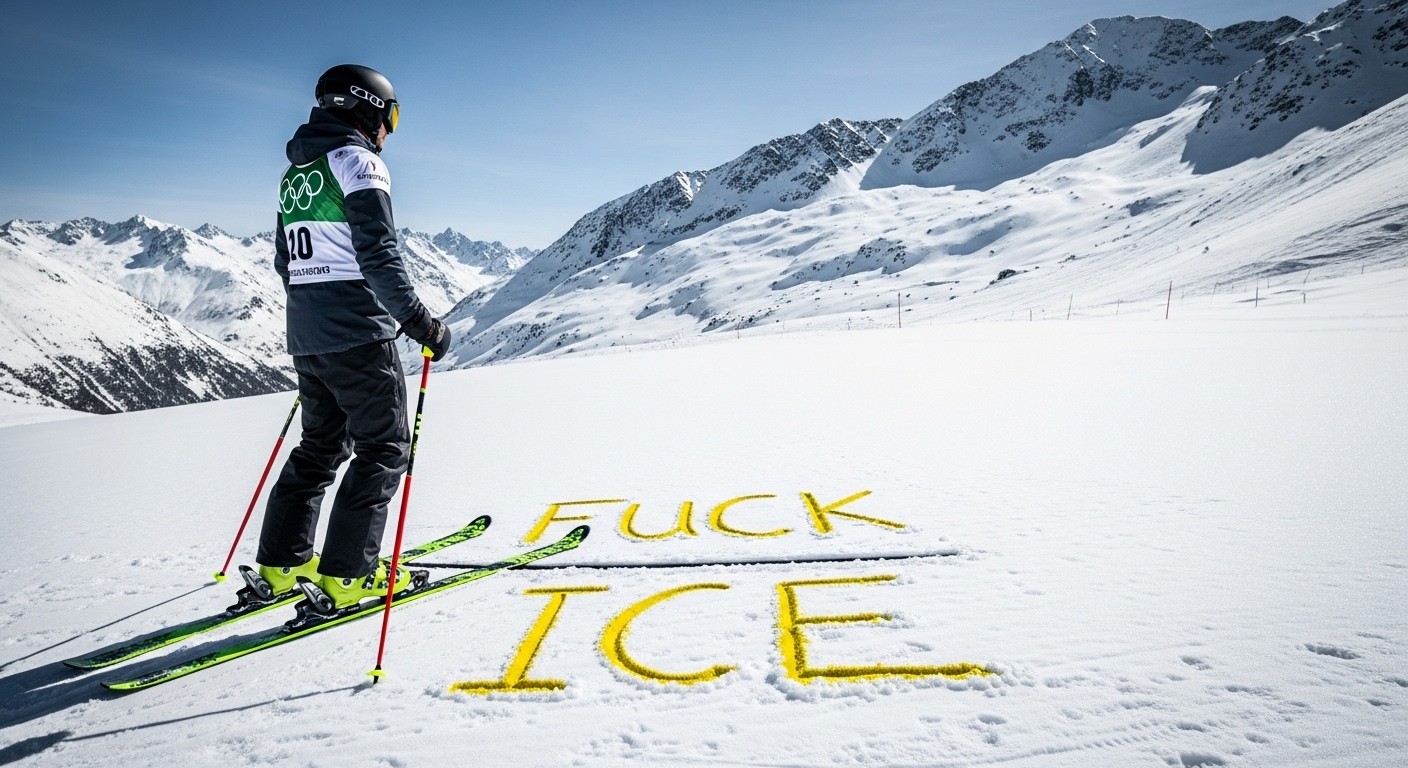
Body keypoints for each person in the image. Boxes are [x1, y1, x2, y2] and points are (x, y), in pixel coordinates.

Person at [255, 64, 449, 611]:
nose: (389, 131)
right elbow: (379, 254)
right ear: (369, 109)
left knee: (319, 449)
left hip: (307, 335)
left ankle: (280, 565)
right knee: (385, 449)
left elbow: (283, 261)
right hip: (360, 335)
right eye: (390, 117)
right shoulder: (358, 163)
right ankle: (348, 575)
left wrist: (316, 317)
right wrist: (421, 324)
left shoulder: (297, 173)